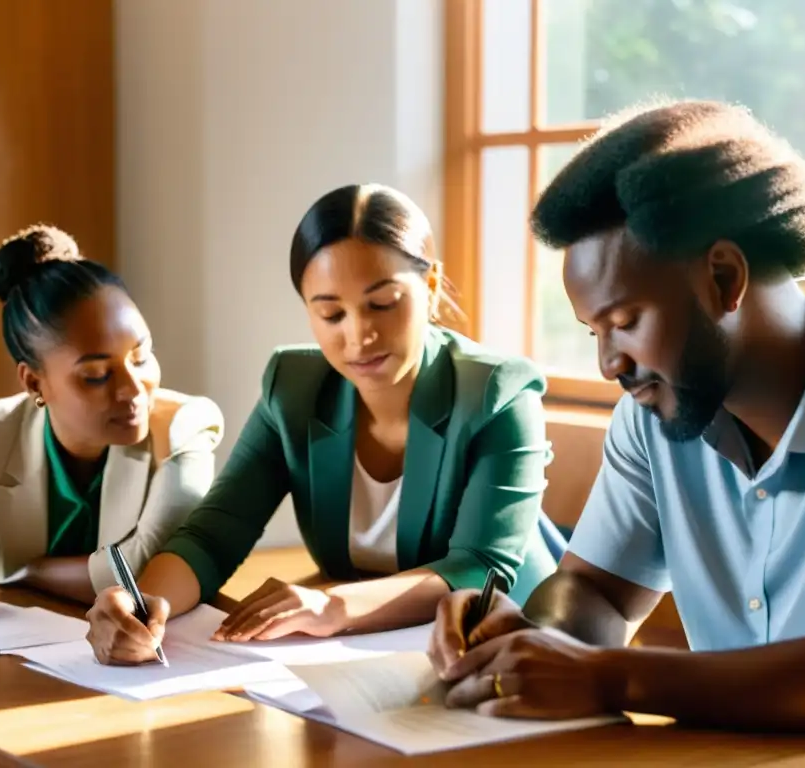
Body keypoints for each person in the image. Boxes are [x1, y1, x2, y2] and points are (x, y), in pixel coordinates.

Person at [427, 99, 805, 737]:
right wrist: (531, 637)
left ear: (724, 277)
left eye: (625, 323)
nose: (608, 363)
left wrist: (607, 675)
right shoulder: (657, 411)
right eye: (593, 330)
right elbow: (595, 592)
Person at [85, 183, 566, 664]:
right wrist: (143, 604)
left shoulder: (499, 392)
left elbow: (479, 568)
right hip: (364, 652)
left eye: (382, 304)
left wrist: (332, 604)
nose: (359, 336)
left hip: (508, 645)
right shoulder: (293, 388)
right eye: (331, 313)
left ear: (432, 287)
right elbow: (215, 535)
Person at [0, 224, 224, 612]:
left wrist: (31, 574)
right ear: (34, 382)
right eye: (96, 375)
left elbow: (147, 565)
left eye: (141, 357)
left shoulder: (184, 428)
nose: (133, 388)